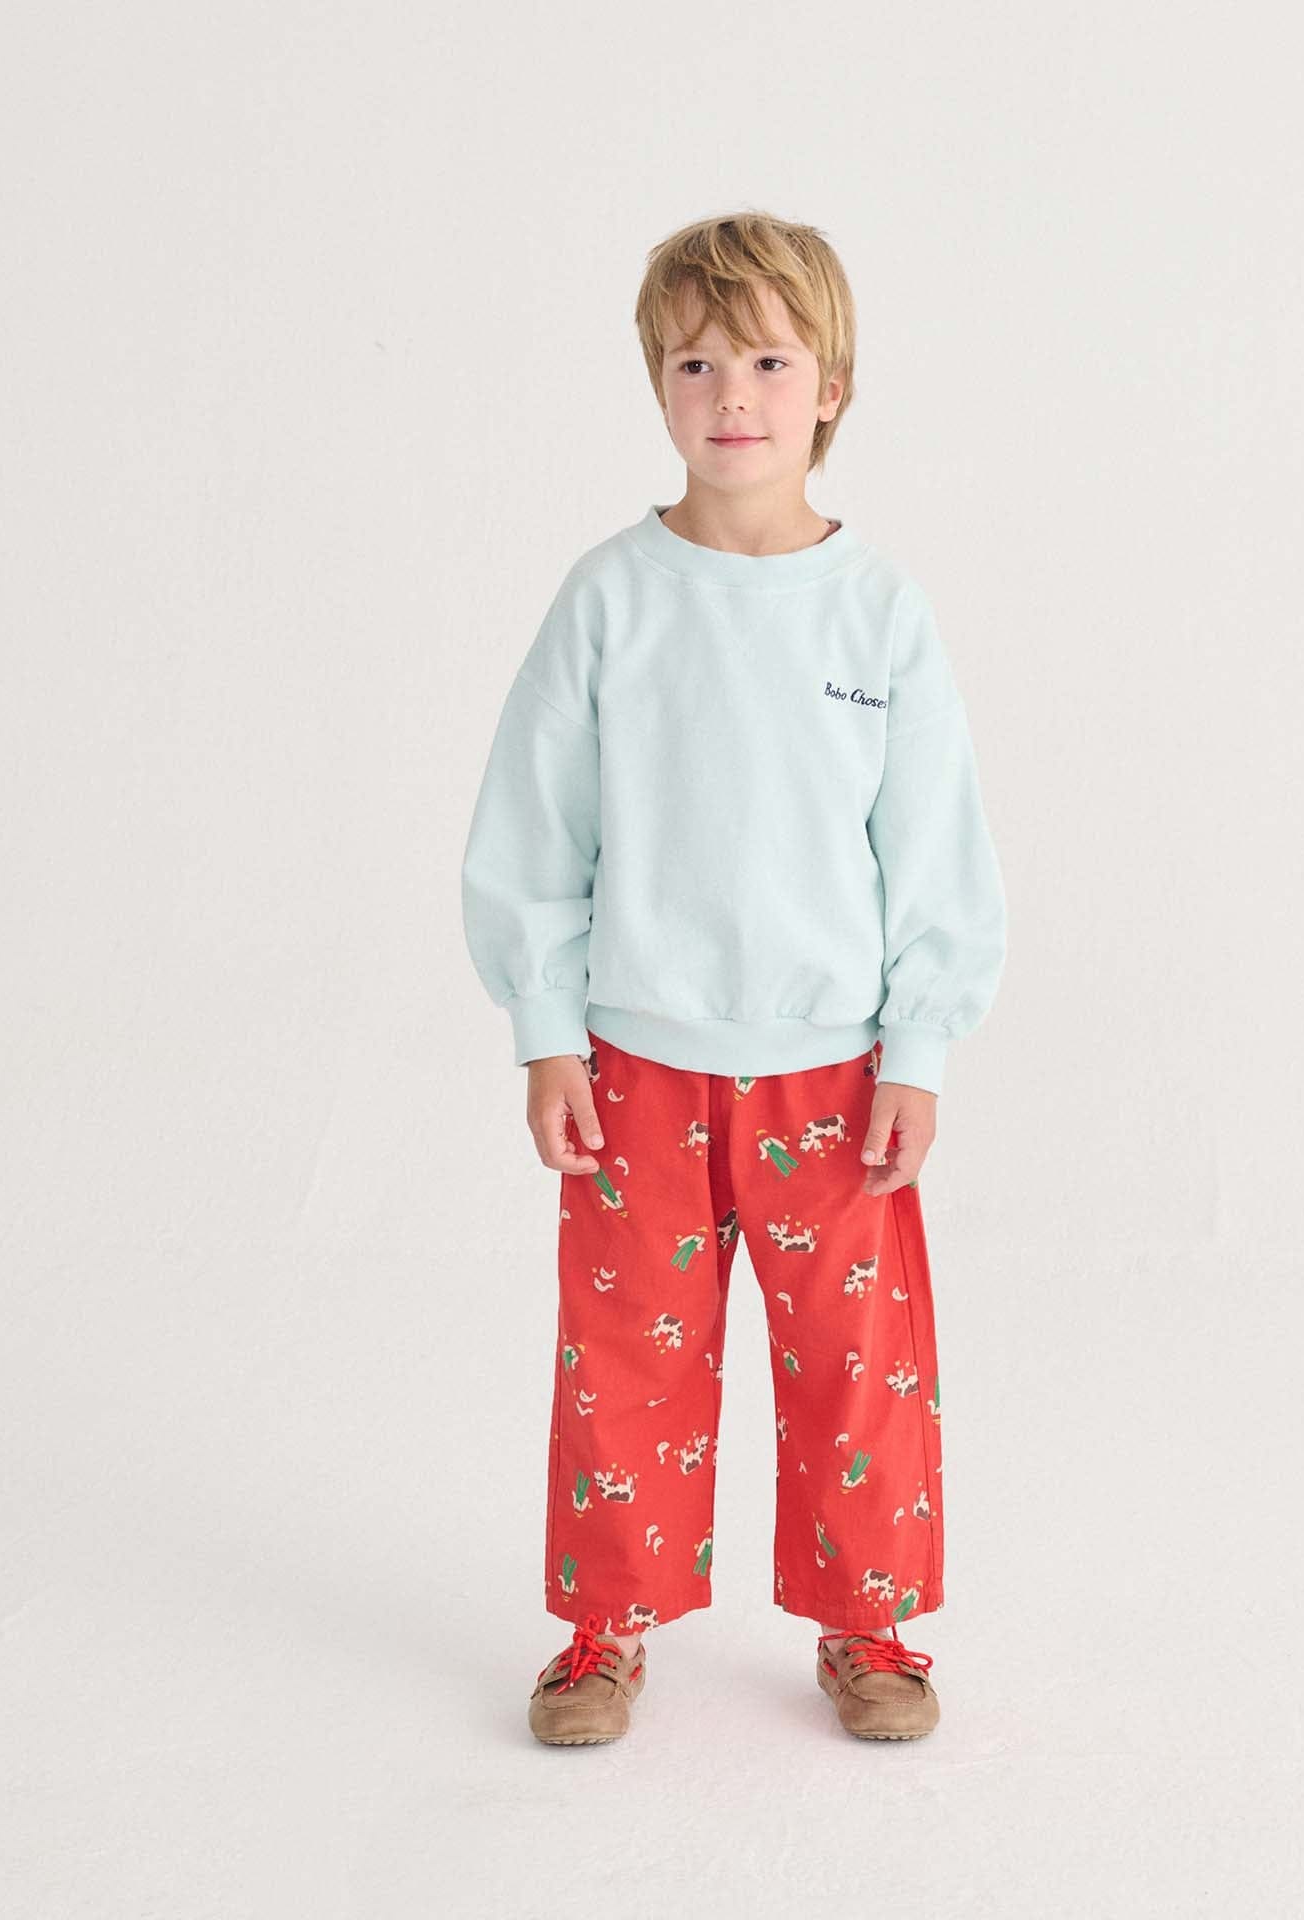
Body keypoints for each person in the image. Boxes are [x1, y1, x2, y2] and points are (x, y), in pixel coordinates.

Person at [461, 209, 1007, 1744]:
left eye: (767, 361)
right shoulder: (610, 597)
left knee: (857, 1366)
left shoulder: (876, 609)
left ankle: (868, 1623)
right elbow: (536, 826)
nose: (732, 395)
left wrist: (920, 1050)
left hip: (835, 1069)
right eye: (695, 364)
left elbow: (933, 846)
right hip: (634, 1066)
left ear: (830, 386)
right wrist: (546, 1032)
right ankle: (605, 1626)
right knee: (625, 1359)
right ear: (657, 385)